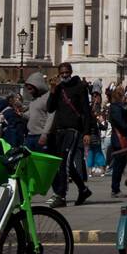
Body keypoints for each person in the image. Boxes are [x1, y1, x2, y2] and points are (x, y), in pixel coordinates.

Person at [46, 63, 94, 207]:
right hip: (60, 130)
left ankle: (61, 195)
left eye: (67, 73)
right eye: (62, 73)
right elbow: (50, 108)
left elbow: (86, 111)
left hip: (73, 129)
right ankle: (83, 189)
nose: (65, 75)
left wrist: (87, 132)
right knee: (63, 163)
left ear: (71, 72)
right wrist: (53, 91)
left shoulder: (79, 87)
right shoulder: (58, 88)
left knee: (65, 162)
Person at [107, 87, 127, 197]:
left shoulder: (118, 107)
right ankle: (115, 189)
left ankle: (116, 188)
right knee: (118, 165)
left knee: (120, 164)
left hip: (119, 139)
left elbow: (126, 114)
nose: (125, 98)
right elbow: (122, 125)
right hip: (118, 139)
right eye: (123, 95)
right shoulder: (115, 108)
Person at [23, 72, 53, 151]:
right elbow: (32, 115)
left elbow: (51, 117)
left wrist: (45, 134)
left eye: (31, 89)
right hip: (30, 135)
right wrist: (21, 114)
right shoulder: (33, 99)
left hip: (40, 136)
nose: (29, 92)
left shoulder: (48, 97)